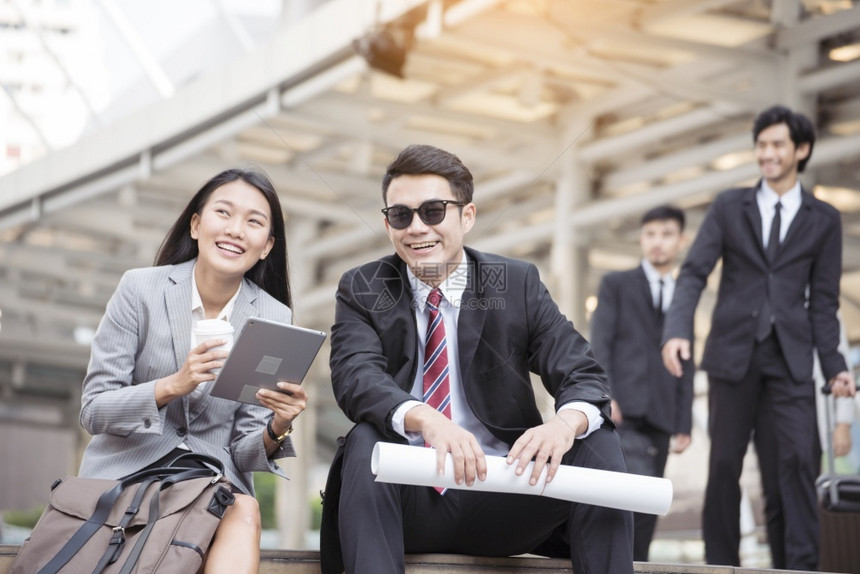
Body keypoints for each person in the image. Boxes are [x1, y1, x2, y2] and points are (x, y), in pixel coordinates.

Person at [319, 144, 634, 574]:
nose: (416, 228)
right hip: (407, 498)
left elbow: (581, 370)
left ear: (466, 216)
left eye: (433, 211)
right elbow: (355, 377)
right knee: (364, 442)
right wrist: (428, 419)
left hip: (505, 494)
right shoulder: (362, 287)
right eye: (401, 215)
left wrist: (563, 425)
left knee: (596, 439)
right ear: (387, 223)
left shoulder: (516, 284)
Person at [77, 167, 308, 574]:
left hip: (211, 481)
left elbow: (243, 450)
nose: (237, 230)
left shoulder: (275, 316)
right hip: (127, 471)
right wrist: (171, 386)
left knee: (245, 508)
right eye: (224, 213)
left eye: (254, 222)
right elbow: (93, 411)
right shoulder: (140, 289)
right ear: (197, 225)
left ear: (267, 245)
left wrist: (278, 427)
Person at [661, 105, 856, 570]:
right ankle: (720, 565)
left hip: (791, 361)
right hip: (733, 356)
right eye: (761, 145)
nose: (766, 154)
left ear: (801, 150)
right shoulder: (731, 206)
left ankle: (800, 566)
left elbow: (824, 303)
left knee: (794, 465)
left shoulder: (824, 219)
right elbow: (693, 273)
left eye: (776, 145)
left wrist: (836, 368)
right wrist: (676, 331)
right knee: (725, 466)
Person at [590, 205, 694, 561]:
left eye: (666, 235)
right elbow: (600, 343)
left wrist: (684, 421)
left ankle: (638, 564)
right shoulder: (616, 285)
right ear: (641, 239)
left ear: (681, 241)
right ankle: (621, 563)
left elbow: (686, 359)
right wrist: (607, 395)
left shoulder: (684, 295)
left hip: (663, 416)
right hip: (624, 411)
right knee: (628, 496)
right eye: (650, 234)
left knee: (652, 500)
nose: (657, 243)